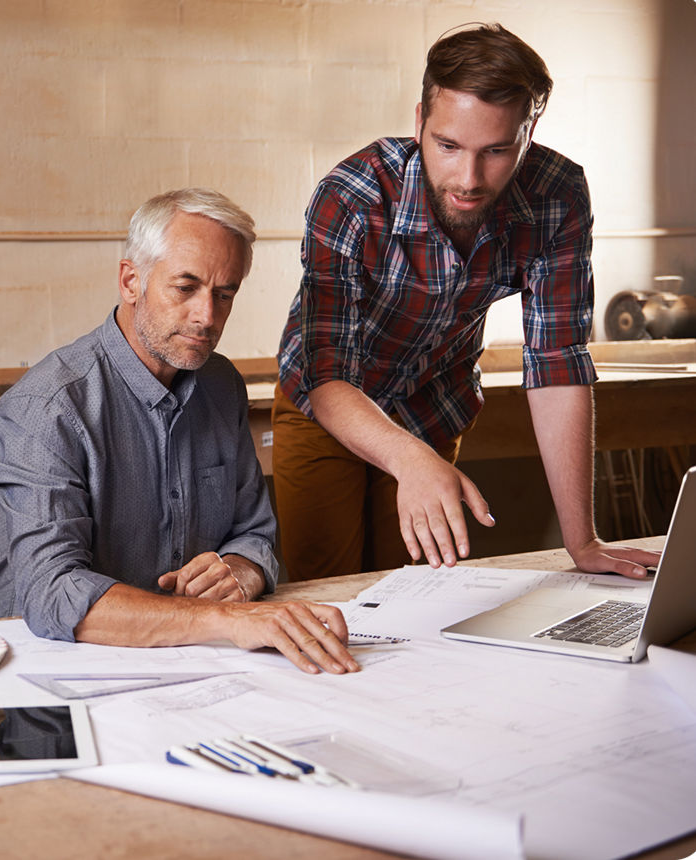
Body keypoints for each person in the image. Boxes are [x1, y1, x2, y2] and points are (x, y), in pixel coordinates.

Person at [273, 23, 660, 581]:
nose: (469, 179)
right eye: (448, 146)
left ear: (528, 132)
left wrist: (584, 542)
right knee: (330, 590)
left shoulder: (558, 196)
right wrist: (408, 457)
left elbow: (557, 362)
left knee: (409, 592)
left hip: (434, 406)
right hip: (327, 403)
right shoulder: (353, 196)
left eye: (497, 151)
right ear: (419, 123)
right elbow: (327, 371)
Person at [0, 188, 359, 675]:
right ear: (131, 281)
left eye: (224, 295)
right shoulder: (47, 407)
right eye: (185, 288)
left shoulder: (222, 385)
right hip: (51, 671)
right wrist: (226, 619)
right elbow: (54, 592)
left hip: (189, 663)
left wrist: (239, 573)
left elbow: (255, 535)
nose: (207, 317)